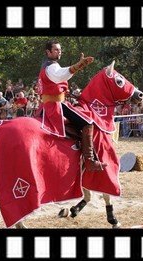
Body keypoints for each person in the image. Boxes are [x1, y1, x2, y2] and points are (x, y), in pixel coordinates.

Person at [34, 39, 103, 171]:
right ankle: (90, 161)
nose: (59, 52)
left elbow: (62, 76)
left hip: (49, 104)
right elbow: (60, 75)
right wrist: (78, 66)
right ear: (48, 52)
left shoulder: (49, 66)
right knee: (87, 122)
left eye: (60, 50)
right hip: (55, 105)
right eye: (55, 50)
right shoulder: (50, 66)